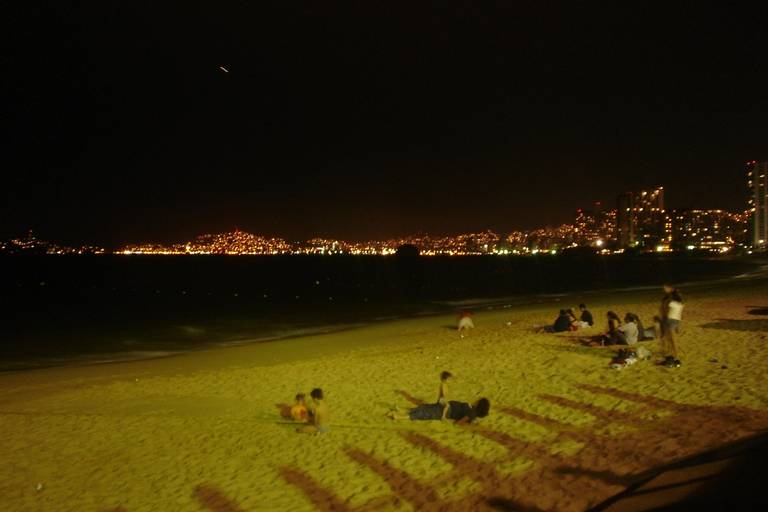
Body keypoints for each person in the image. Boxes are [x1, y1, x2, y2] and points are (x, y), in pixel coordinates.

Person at [387, 398, 490, 424]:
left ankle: (398, 416)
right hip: (446, 406)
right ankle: (402, 410)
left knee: (425, 414)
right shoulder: (472, 409)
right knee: (425, 407)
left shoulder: (472, 413)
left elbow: (459, 422)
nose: (476, 400)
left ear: (479, 405)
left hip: (446, 411)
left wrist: (469, 422)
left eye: (478, 401)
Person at [660, 285, 684, 367]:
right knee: (671, 340)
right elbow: (678, 314)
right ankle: (672, 354)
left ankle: (675, 355)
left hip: (670, 320)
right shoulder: (679, 302)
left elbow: (665, 312)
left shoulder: (670, 302)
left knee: (672, 340)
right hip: (675, 320)